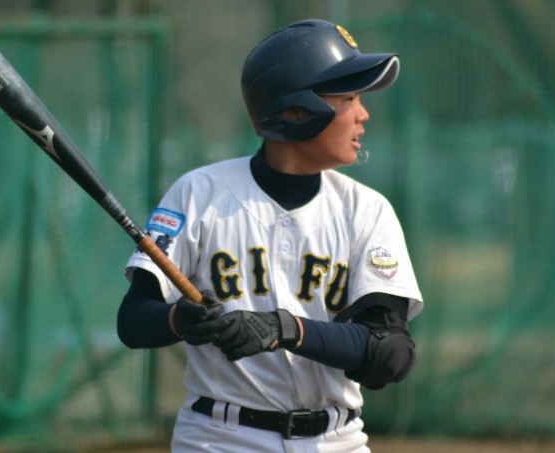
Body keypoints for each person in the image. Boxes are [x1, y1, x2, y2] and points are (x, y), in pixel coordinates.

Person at [117, 19, 423, 453]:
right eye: (349, 99)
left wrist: (285, 329)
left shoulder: (366, 210)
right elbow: (132, 320)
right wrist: (178, 321)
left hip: (336, 441)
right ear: (296, 111)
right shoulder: (199, 193)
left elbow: (390, 352)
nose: (363, 114)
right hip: (220, 438)